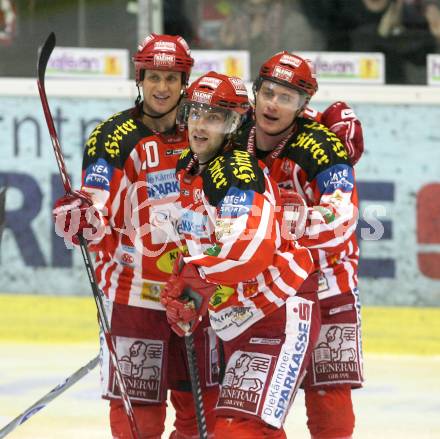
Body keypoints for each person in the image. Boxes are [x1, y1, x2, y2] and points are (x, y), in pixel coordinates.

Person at [52, 33, 220, 439]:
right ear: (139, 78)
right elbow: (96, 199)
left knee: (203, 420)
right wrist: (83, 216)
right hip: (133, 295)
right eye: (154, 77)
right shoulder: (114, 136)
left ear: (185, 81)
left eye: (171, 78)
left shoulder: (207, 128)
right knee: (138, 424)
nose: (162, 88)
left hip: (195, 295)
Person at [160, 71, 321, 438]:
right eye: (195, 114)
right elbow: (205, 248)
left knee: (240, 430)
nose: (200, 126)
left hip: (277, 312)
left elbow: (250, 249)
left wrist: (198, 276)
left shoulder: (235, 171)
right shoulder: (189, 170)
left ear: (233, 125)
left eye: (214, 117)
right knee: (247, 428)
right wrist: (186, 290)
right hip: (240, 318)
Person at [234, 51, 364, 439]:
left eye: (287, 97)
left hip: (327, 284)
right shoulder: (234, 133)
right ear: (255, 91)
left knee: (329, 399)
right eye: (269, 92)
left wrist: (278, 229)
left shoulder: (322, 146)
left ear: (304, 105)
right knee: (255, 402)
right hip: (265, 290)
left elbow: (342, 216)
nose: (273, 104)